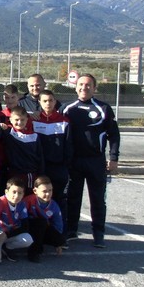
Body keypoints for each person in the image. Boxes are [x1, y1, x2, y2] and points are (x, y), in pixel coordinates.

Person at [62, 73, 120, 248]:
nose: (84, 88)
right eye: (81, 84)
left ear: (94, 88)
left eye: (88, 85)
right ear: (75, 87)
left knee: (98, 199)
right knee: (72, 198)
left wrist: (114, 158)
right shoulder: (67, 108)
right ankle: (71, 231)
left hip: (95, 161)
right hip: (74, 162)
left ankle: (98, 233)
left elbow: (114, 135)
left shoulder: (103, 108)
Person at [32, 89, 72, 232]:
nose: (48, 103)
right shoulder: (34, 121)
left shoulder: (64, 121)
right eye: (44, 101)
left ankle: (60, 233)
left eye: (50, 100)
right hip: (41, 168)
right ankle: (41, 233)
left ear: (55, 102)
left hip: (59, 168)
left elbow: (69, 146)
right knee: (39, 200)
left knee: (60, 200)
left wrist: (65, 167)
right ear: (39, 102)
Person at [0, 177, 33, 264]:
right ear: (6, 192)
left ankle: (8, 247)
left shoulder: (22, 204)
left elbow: (25, 226)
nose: (16, 196)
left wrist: (6, 235)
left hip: (8, 233)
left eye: (20, 193)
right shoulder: (1, 202)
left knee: (28, 239)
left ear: (23, 194)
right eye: (14, 192)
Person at [2, 106, 44, 193]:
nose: (19, 122)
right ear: (10, 120)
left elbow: (40, 157)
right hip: (13, 173)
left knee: (28, 196)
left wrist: (41, 174)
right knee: (14, 196)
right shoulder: (7, 132)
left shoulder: (34, 136)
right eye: (16, 120)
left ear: (27, 120)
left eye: (22, 120)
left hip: (30, 174)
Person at [23, 175, 65, 262]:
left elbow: (58, 225)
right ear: (35, 191)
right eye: (44, 191)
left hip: (42, 229)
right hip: (27, 228)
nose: (48, 194)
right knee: (40, 222)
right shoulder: (27, 201)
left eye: (50, 190)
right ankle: (34, 252)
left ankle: (39, 242)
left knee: (60, 240)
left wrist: (57, 243)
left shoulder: (54, 206)